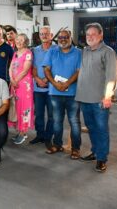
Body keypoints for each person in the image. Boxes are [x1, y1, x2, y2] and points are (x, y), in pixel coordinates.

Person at [75, 23, 117, 173]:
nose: (90, 37)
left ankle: (102, 158)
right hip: (84, 98)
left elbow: (111, 77)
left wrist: (107, 97)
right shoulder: (85, 51)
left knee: (101, 130)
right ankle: (95, 152)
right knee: (92, 128)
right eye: (88, 35)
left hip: (99, 100)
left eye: (93, 34)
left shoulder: (108, 52)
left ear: (101, 35)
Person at [42, 30, 82, 158]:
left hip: (73, 94)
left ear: (71, 38)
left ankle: (75, 148)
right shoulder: (52, 51)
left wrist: (67, 83)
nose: (63, 39)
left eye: (65, 37)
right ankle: (57, 145)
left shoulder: (78, 53)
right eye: (60, 37)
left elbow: (78, 71)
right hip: (55, 93)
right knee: (57, 121)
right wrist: (54, 83)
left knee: (74, 122)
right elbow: (46, 69)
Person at [30, 25, 56, 147]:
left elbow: (57, 67)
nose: (44, 36)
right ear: (39, 36)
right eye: (42, 34)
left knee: (52, 115)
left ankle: (48, 137)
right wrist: (37, 79)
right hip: (38, 88)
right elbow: (34, 68)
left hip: (52, 89)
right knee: (39, 114)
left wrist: (46, 79)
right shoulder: (35, 50)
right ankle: (40, 135)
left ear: (51, 35)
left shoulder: (57, 50)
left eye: (47, 33)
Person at [8, 34, 34, 144]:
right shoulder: (15, 53)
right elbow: (10, 67)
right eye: (17, 39)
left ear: (26, 42)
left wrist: (15, 81)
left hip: (24, 85)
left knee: (24, 107)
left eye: (21, 40)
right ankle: (20, 131)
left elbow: (25, 70)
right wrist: (11, 79)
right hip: (14, 84)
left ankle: (23, 133)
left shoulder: (28, 53)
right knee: (16, 106)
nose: (18, 41)